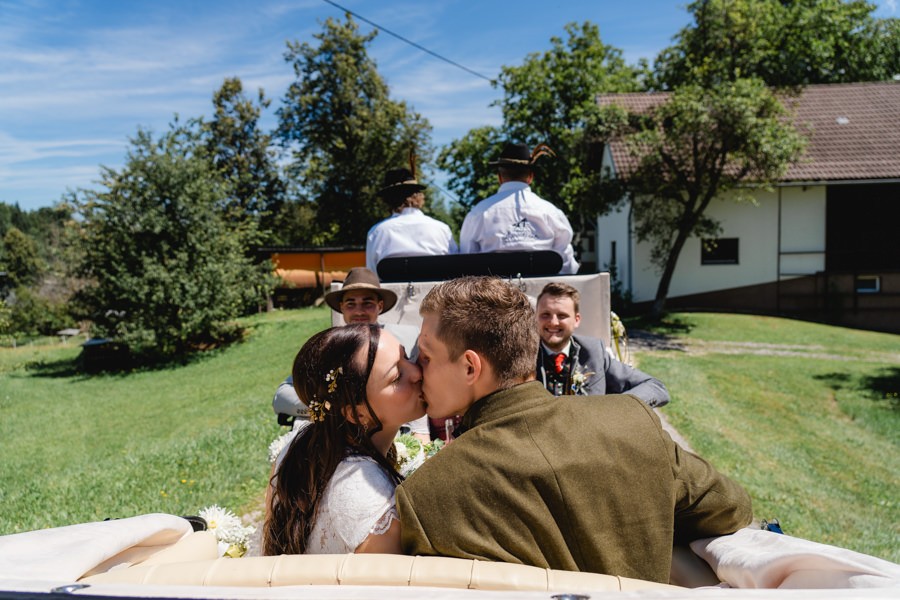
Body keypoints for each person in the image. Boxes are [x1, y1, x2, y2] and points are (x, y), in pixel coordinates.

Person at [396, 276, 752, 583]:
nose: (414, 369)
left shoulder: (426, 495)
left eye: (425, 357)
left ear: (470, 367)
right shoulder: (631, 421)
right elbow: (731, 508)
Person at [263, 324, 426, 555]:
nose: (417, 372)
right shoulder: (369, 496)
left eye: (406, 356)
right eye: (397, 377)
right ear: (356, 414)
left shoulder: (297, 446)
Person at [272, 267, 428, 439]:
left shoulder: (405, 340)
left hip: (394, 435)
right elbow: (281, 398)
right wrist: (334, 410)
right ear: (341, 308)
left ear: (380, 306)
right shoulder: (331, 346)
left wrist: (420, 437)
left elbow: (420, 389)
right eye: (351, 304)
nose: (359, 311)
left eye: (367, 303)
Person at [535, 281, 670, 407]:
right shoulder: (521, 356)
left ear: (577, 320)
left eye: (562, 315)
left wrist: (612, 411)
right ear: (535, 318)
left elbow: (655, 387)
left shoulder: (593, 353)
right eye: (545, 315)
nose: (553, 322)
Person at [459, 143, 579, 274]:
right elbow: (567, 267)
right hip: (544, 292)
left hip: (493, 293)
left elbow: (467, 264)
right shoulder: (552, 213)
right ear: (530, 177)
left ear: (499, 177)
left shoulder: (478, 213)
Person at [366, 167, 458, 275]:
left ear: (387, 200)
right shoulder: (442, 229)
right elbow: (455, 270)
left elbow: (372, 276)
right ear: (419, 196)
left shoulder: (377, 232)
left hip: (393, 292)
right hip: (437, 291)